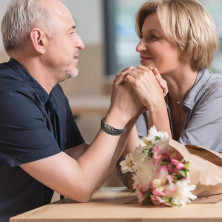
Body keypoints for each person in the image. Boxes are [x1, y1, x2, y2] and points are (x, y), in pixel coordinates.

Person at [0, 0, 144, 221]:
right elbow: (80, 187)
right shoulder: (9, 97)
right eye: (71, 33)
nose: (81, 43)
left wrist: (129, 113)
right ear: (39, 40)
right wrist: (118, 114)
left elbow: (91, 171)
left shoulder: (51, 90)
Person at [116, 0, 222, 187]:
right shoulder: (147, 90)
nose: (139, 47)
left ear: (188, 44)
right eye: (141, 36)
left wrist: (156, 105)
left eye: (153, 37)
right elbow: (134, 176)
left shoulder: (217, 94)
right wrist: (125, 112)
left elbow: (175, 177)